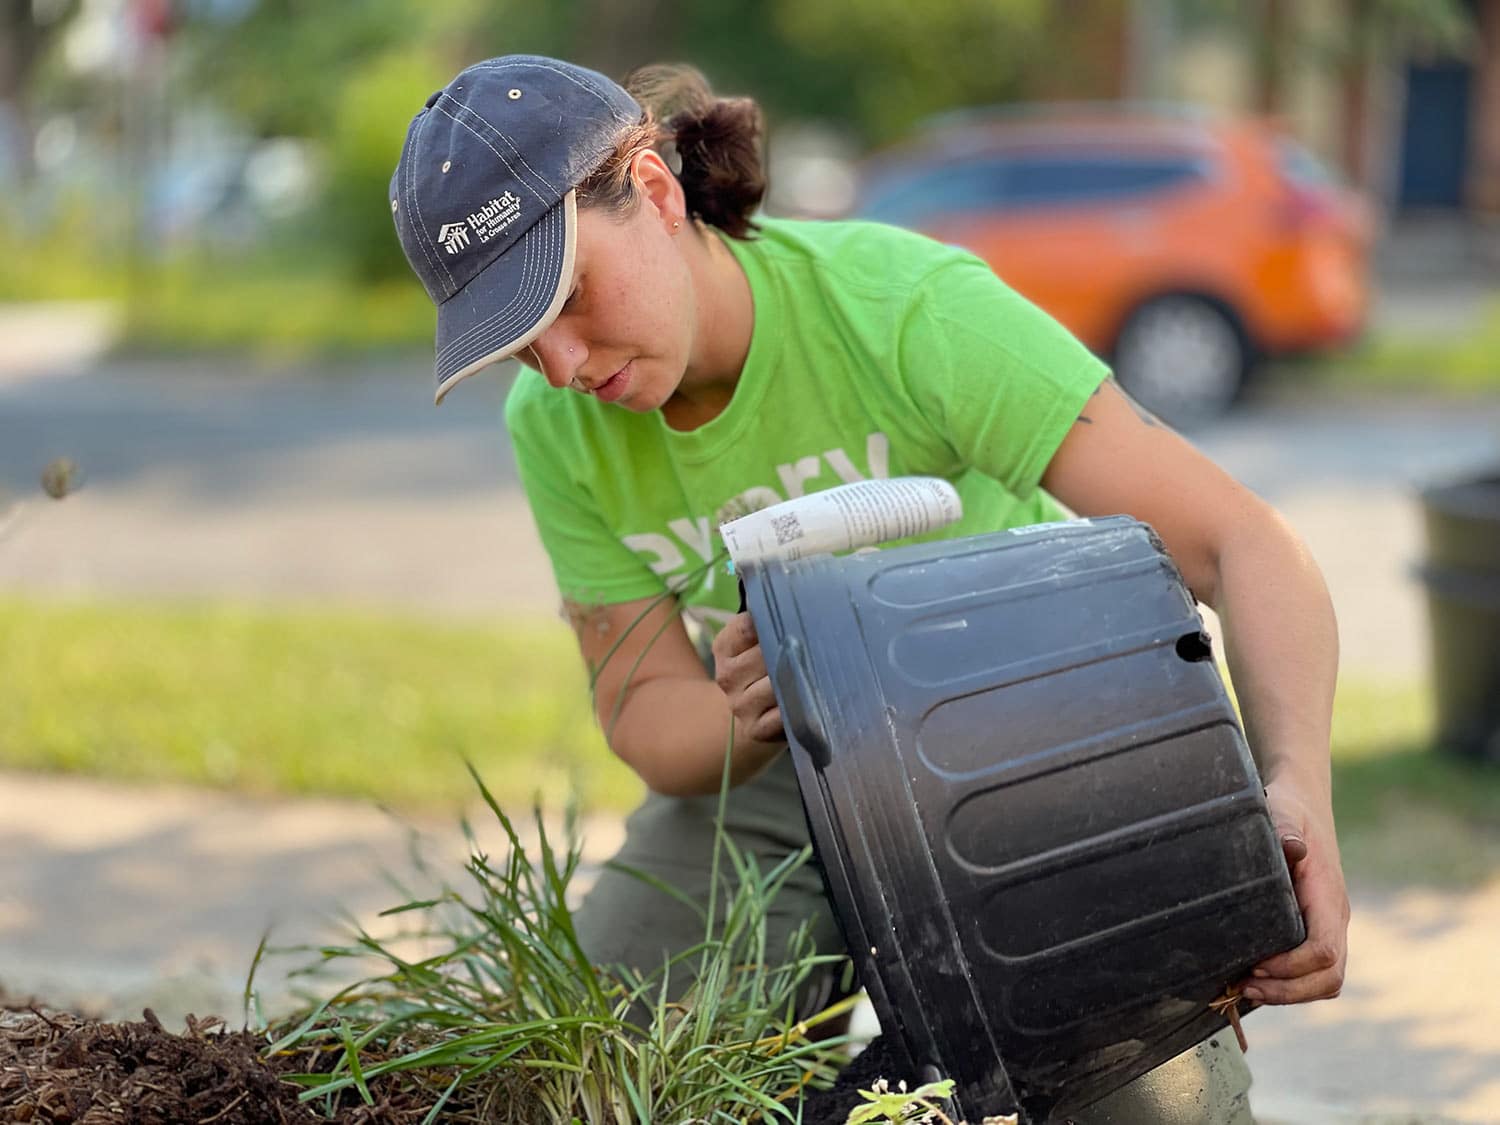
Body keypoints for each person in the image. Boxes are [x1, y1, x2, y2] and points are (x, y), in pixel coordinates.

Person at [389, 54, 1348, 1124]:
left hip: (1025, 742)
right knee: (597, 1083)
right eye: (522, 348)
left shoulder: (903, 310)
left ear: (656, 192)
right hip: (782, 775)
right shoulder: (558, 428)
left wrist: (1296, 790)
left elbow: (1243, 545)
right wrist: (742, 715)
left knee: (1141, 1101)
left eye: (569, 297)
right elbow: (643, 713)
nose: (563, 365)